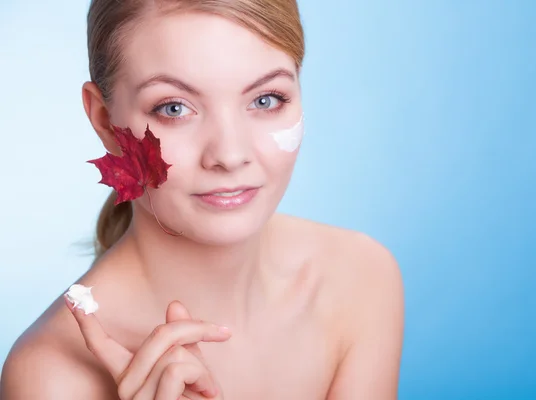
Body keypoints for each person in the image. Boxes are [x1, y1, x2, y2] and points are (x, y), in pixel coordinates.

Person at [0, 0, 404, 398]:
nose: (229, 155)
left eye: (266, 99)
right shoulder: (51, 375)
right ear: (105, 121)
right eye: (173, 108)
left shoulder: (360, 277)